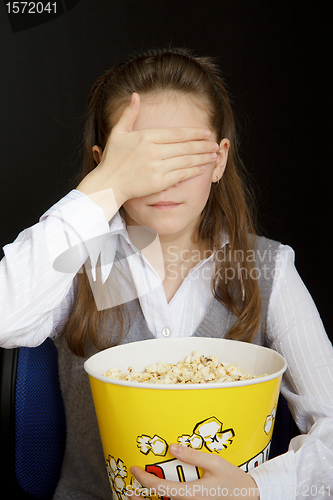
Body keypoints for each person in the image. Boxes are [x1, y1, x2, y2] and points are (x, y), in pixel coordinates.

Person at [0, 48, 332, 500]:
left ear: (218, 161)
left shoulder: (267, 268)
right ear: (104, 162)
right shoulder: (81, 260)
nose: (164, 179)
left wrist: (258, 488)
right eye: (141, 160)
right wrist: (105, 186)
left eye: (185, 155)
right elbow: (6, 316)